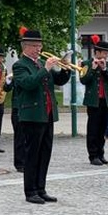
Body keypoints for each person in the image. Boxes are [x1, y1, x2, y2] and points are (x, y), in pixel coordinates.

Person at [11, 27, 70, 204]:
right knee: (32, 154)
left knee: (45, 153)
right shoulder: (20, 65)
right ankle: (30, 191)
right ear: (25, 46)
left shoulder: (39, 64)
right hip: (31, 115)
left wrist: (66, 68)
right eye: (35, 45)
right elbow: (28, 84)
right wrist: (46, 68)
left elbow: (58, 81)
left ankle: (41, 188)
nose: (39, 48)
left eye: (40, 45)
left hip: (47, 114)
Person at [80, 35, 108, 166]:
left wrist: (105, 69)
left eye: (107, 53)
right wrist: (93, 68)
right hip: (93, 101)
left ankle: (101, 154)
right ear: (97, 52)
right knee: (93, 129)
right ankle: (93, 155)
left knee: (103, 129)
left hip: (105, 101)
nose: (106, 55)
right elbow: (83, 80)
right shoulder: (86, 64)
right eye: (105, 52)